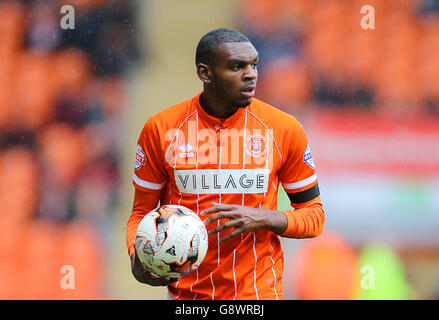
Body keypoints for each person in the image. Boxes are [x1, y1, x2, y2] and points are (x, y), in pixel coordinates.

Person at [126, 28, 325, 300]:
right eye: (237, 66)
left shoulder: (283, 129)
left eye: (254, 64)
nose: (251, 74)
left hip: (256, 294)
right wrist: (138, 257)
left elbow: (314, 216)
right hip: (187, 296)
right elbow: (141, 213)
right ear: (205, 73)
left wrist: (266, 217)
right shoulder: (161, 129)